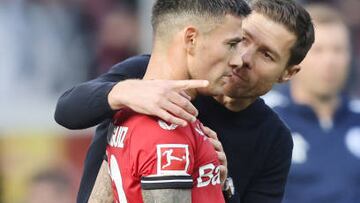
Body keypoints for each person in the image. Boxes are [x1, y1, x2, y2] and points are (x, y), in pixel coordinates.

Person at [55, 0, 315, 202]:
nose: (243, 58)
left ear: (287, 73)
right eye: (239, 41)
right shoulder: (146, 74)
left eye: (266, 55)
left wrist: (223, 185)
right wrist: (125, 92)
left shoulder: (273, 138)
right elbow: (66, 110)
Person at [90, 0, 250, 202]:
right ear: (191, 39)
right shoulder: (166, 129)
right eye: (232, 44)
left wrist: (215, 186)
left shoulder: (131, 112)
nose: (238, 61)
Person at [264, 4, 360, 203]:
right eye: (319, 51)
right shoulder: (265, 116)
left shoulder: (357, 117)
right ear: (297, 57)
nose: (330, 61)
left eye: (338, 50)